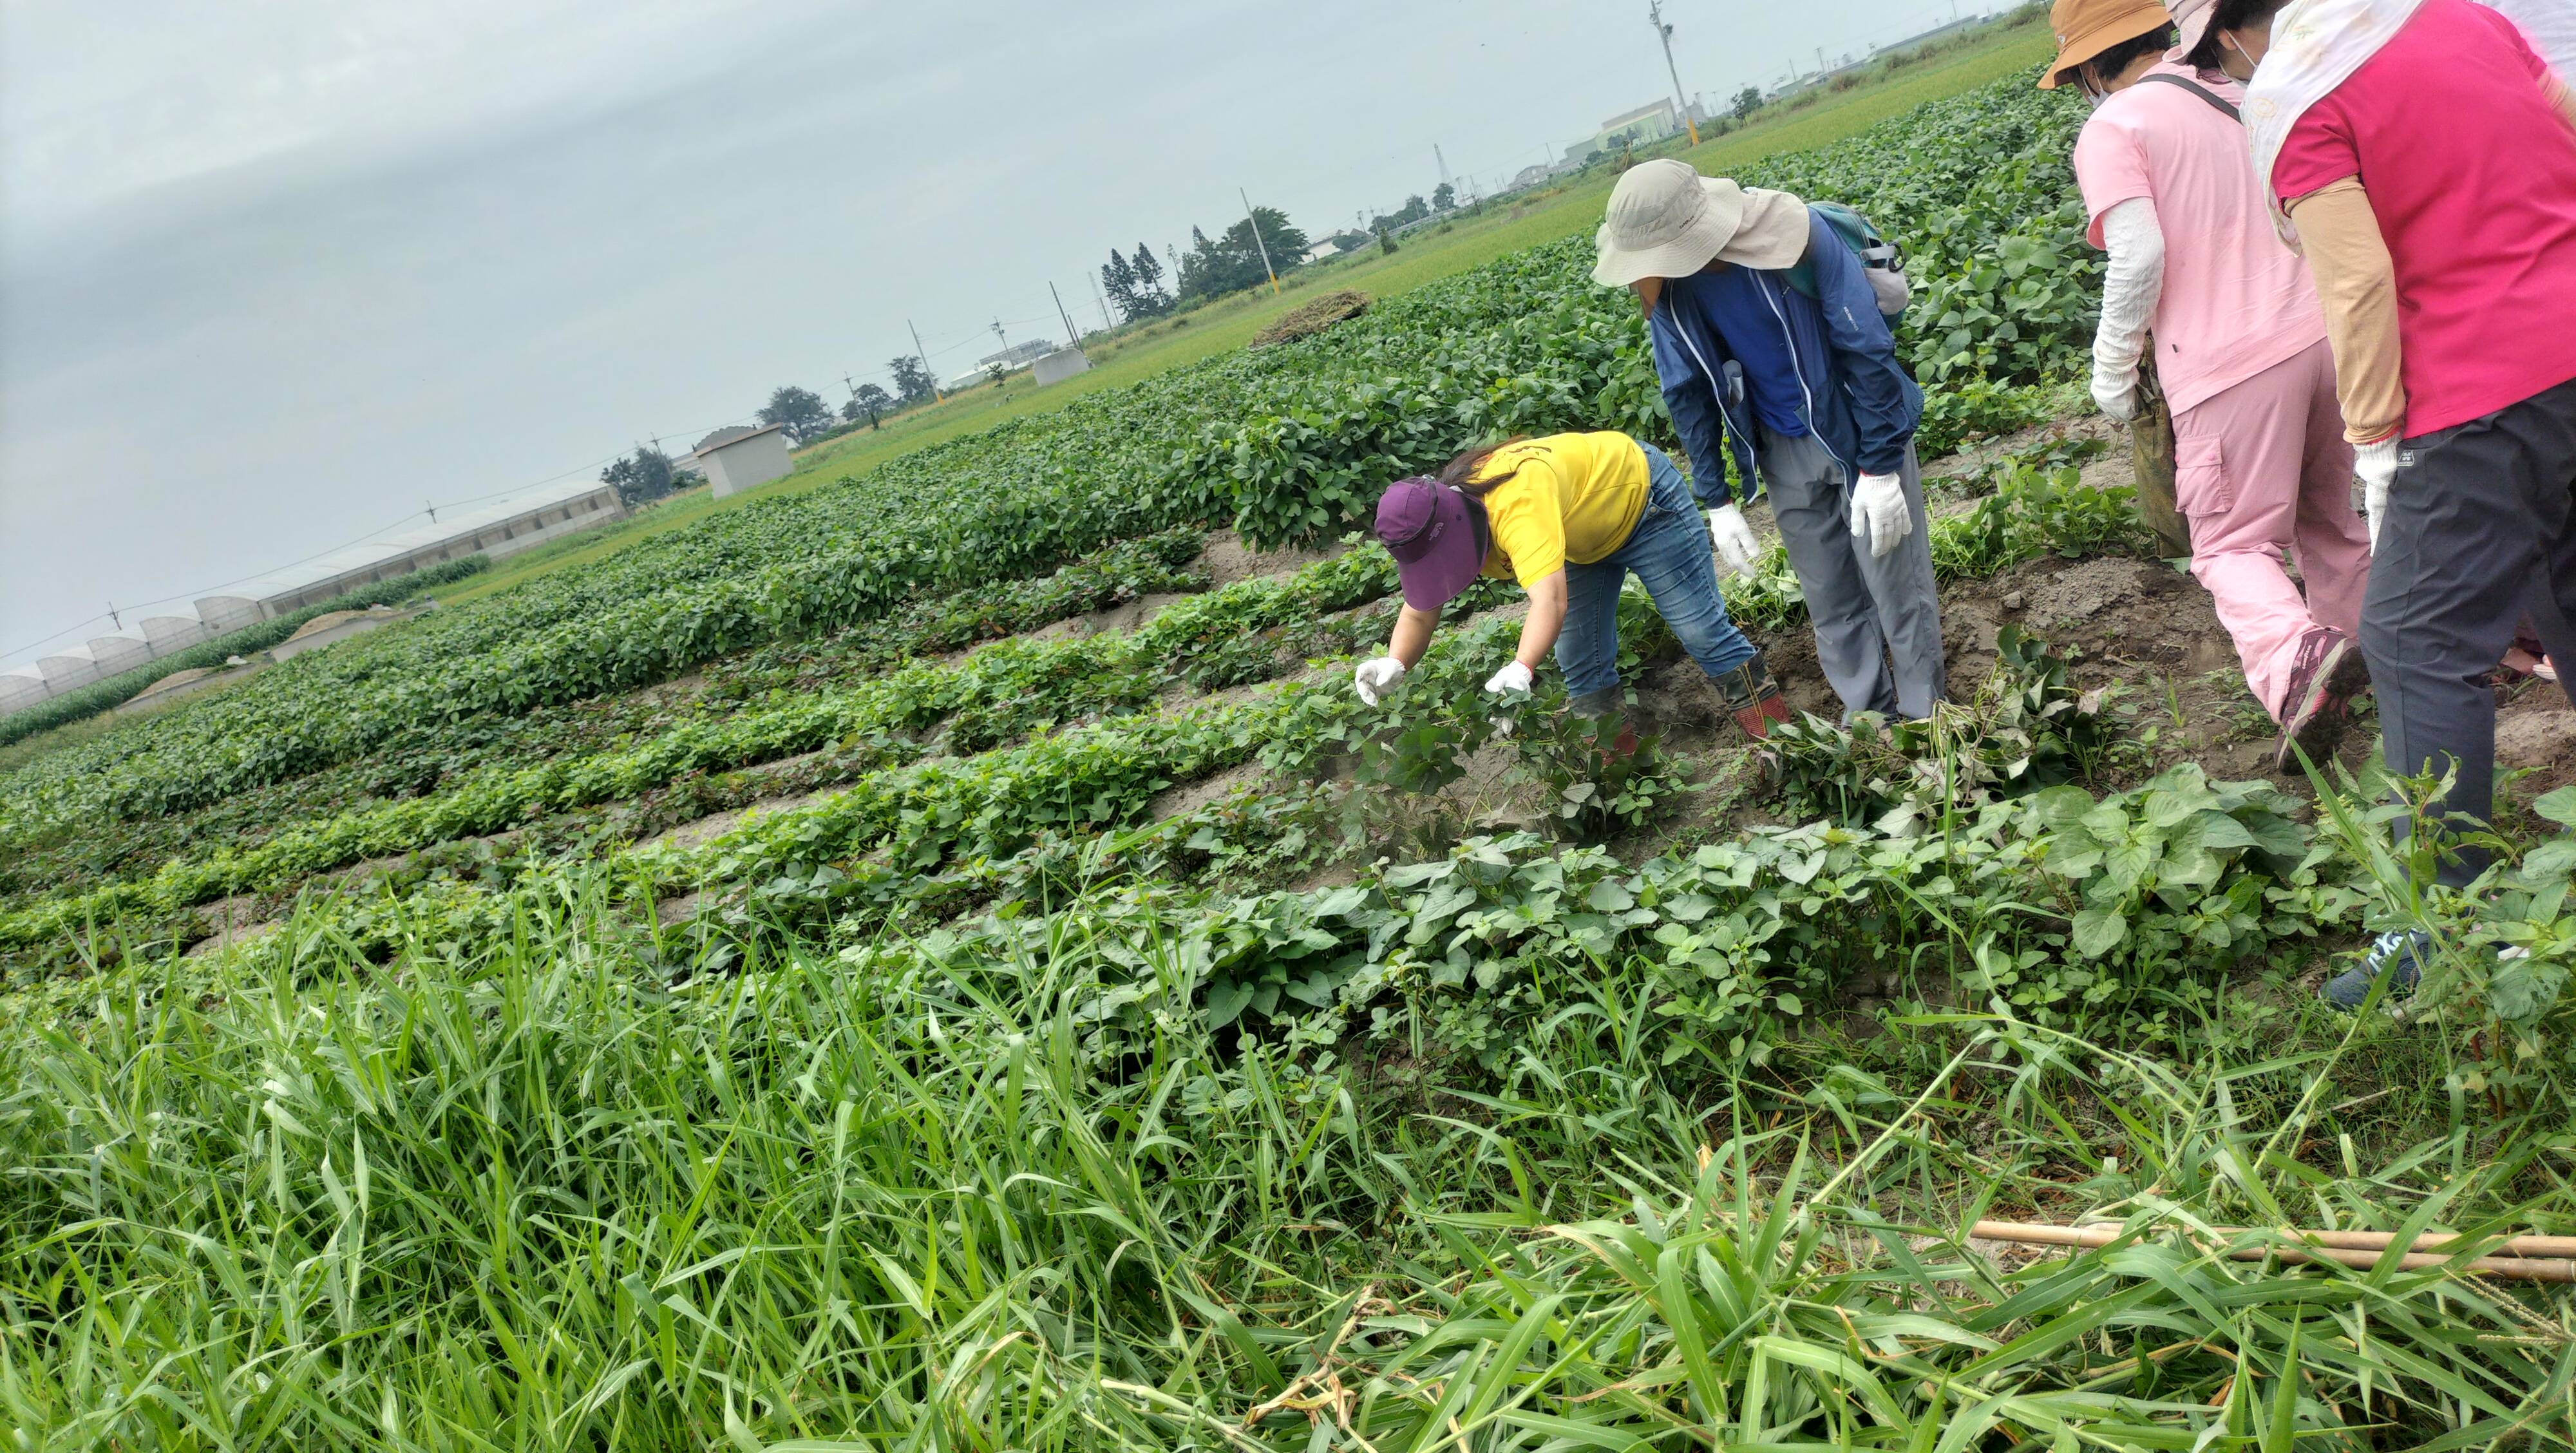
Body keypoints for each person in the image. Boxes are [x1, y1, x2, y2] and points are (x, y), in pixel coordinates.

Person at [2204, 0, 2576, 1005]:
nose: (2226, 67)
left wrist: (2374, 443)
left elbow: (2359, 283)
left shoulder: (2302, 95)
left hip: (2478, 394)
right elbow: (2566, 120)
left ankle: (2441, 933)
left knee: (2417, 644)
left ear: (2245, 27)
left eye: (2215, 48)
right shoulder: (2464, 16)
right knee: (2568, 587)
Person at [2045, 0, 2372, 772]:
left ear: (2091, 68)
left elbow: (2137, 255)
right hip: (2325, 338)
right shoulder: (2232, 90)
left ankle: (2296, 661)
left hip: (2230, 367)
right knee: (2332, 524)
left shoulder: (2114, 126)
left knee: (2227, 542)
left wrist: (2112, 367)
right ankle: (2386, 671)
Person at [1593, 160, 1946, 723]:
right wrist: (1716, 498)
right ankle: (1872, 722)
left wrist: (1880, 468)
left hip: (1859, 429)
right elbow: (1687, 391)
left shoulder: (1794, 233)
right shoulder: (1665, 287)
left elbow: (1867, 347)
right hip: (1781, 448)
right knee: (1830, 598)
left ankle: (1928, 721)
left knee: (1896, 589)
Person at [1349, 430, 1791, 743]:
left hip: (1644, 504)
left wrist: (1521, 668)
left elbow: (1551, 600)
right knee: (1580, 661)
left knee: (1701, 632)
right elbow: (1419, 610)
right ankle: (1620, 784)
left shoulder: (1514, 503)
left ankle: (1780, 746)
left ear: (1458, 522)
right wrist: (1396, 661)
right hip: (1579, 540)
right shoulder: (1445, 523)